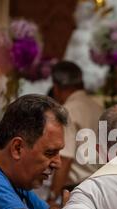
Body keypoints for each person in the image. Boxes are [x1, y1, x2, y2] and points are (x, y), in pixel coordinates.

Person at [43, 61, 103, 201]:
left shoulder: (67, 111)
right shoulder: (98, 108)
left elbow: (65, 158)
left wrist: (52, 197)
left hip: (78, 190)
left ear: (56, 87)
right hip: (100, 185)